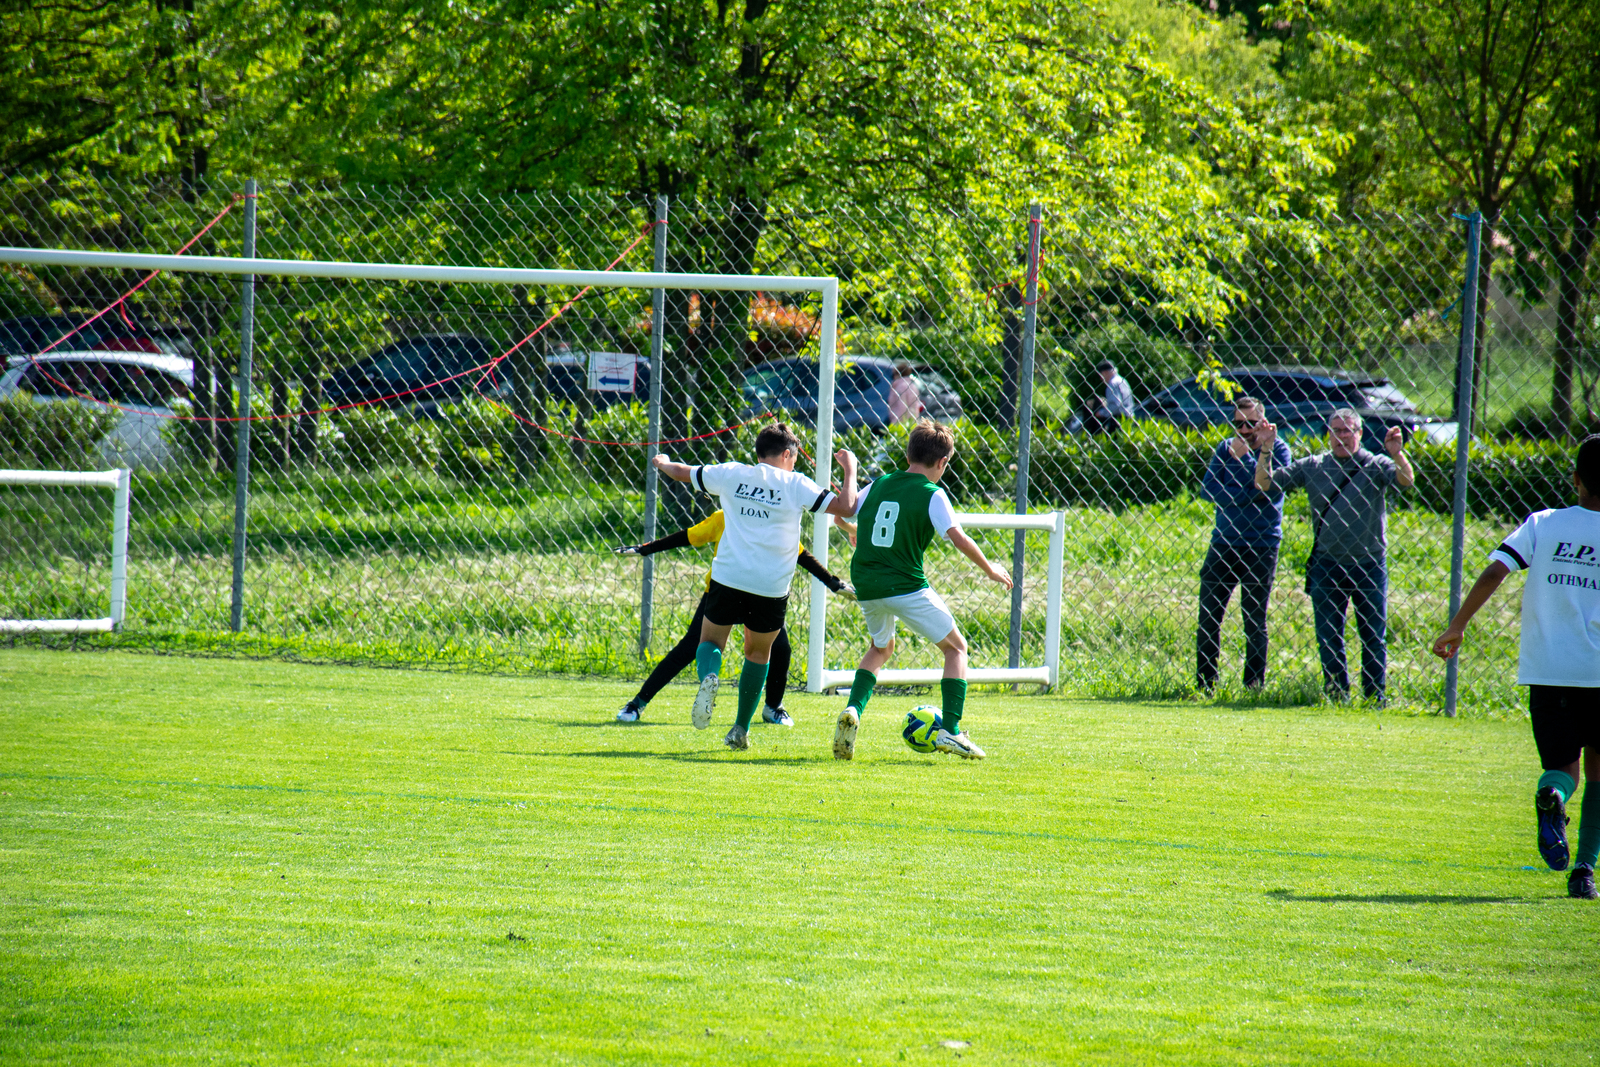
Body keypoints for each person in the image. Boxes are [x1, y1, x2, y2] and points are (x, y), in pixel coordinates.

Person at [1431, 435, 1600, 900]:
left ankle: (1554, 797)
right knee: (1599, 772)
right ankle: (1584, 872)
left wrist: (1457, 626)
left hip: (1549, 670)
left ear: (1576, 479)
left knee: (1563, 769)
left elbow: (1495, 571)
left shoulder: (1543, 523)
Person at [651, 423, 858, 750]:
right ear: (787, 454)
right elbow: (847, 507)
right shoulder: (796, 484)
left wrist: (663, 463)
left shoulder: (732, 473)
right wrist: (850, 469)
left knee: (710, 642)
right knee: (759, 653)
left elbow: (683, 472)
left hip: (728, 577)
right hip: (770, 586)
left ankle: (710, 676)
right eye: (794, 458)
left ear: (759, 452)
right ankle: (740, 729)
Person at [834, 419, 1013, 761]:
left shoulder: (880, 483)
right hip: (904, 584)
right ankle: (952, 731)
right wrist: (990, 569)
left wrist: (853, 522)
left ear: (908, 454)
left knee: (880, 648)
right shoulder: (933, 493)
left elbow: (846, 514)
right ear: (943, 462)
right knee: (956, 648)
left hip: (866, 582)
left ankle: (853, 708)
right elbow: (959, 538)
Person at [613, 511, 855, 723]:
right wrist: (645, 549)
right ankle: (637, 704)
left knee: (781, 648)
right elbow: (689, 536)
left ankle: (773, 708)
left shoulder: (775, 518)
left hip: (760, 595)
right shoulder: (725, 515)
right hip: (723, 592)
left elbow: (800, 553)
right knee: (690, 646)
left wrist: (834, 583)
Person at [1255, 408, 1413, 702]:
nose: (1342, 437)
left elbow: (1406, 480)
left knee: (1373, 638)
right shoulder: (1314, 466)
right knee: (1328, 638)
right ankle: (1337, 697)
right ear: (1328, 435)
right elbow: (1265, 484)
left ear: (1360, 434)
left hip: (1369, 564)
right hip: (1327, 564)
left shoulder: (1374, 464)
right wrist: (1266, 449)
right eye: (1336, 431)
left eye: (1348, 430)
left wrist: (1397, 454)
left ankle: (1375, 700)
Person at [1196, 395, 1292, 693]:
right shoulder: (1226, 448)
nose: (1244, 429)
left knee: (1254, 620)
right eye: (1238, 423)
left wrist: (1247, 462)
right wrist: (1247, 493)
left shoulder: (1278, 449)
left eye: (1251, 423)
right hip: (1224, 542)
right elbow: (1208, 489)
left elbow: (1268, 489)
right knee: (1208, 617)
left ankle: (1253, 688)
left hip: (1261, 544)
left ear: (1264, 422)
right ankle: (1205, 686)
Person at [1085, 359, 1134, 435]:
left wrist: (1101, 413)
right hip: (1129, 417)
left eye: (1101, 375)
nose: (1101, 378)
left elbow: (1115, 406)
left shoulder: (1112, 384)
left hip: (1118, 419)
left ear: (1105, 372)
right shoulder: (1123, 380)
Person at [888, 361, 922, 425]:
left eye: (894, 374)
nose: (893, 377)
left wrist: (895, 423)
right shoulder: (912, 385)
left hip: (901, 422)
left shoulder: (900, 387)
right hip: (912, 420)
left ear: (899, 374)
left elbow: (902, 406)